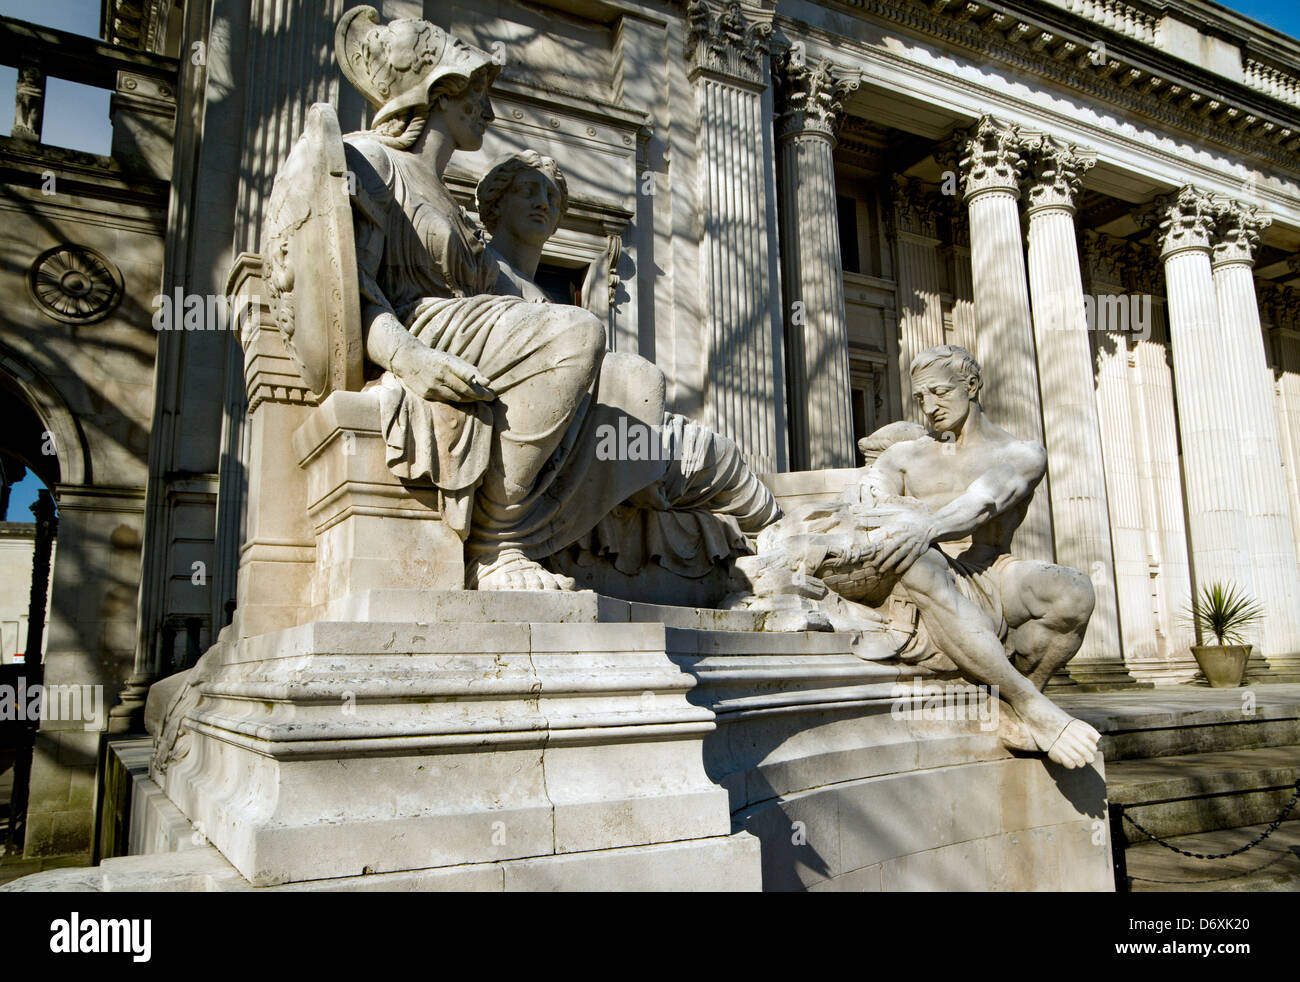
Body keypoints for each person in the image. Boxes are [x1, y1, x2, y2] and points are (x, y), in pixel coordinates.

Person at [336, 8, 776, 590]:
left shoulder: (451, 204)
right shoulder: (368, 162)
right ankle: (497, 544)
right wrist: (410, 359)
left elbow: (508, 295)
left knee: (634, 376)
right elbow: (353, 295)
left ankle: (740, 523)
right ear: (437, 94)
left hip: (475, 334)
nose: (488, 111)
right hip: (425, 331)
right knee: (577, 333)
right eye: (475, 95)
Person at [861, 345, 1101, 768]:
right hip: (926, 567)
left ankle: (1024, 695)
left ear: (971, 386)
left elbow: (983, 502)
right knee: (920, 560)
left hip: (990, 566)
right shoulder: (903, 456)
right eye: (920, 398)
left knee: (1073, 590)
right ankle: (1031, 709)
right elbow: (867, 500)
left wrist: (926, 527)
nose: (930, 407)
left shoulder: (1021, 453)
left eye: (939, 392)